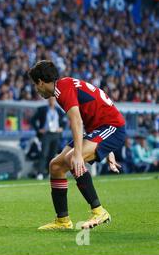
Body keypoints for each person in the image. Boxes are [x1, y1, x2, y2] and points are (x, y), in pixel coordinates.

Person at [28, 60, 126, 230]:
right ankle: (63, 221)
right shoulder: (65, 85)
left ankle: (99, 211)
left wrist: (79, 154)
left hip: (112, 128)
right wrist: (108, 151)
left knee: (73, 157)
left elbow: (77, 121)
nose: (36, 90)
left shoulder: (62, 90)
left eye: (35, 85)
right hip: (100, 129)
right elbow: (94, 112)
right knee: (56, 166)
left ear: (41, 82)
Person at [30, 97, 66, 179]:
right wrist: (38, 129)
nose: (52, 101)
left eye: (53, 100)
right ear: (48, 100)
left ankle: (50, 172)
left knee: (53, 155)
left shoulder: (58, 110)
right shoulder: (42, 109)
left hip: (56, 134)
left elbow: (64, 121)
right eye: (50, 99)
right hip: (46, 134)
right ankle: (40, 173)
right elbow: (33, 120)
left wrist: (62, 128)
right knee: (44, 153)